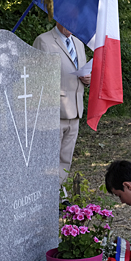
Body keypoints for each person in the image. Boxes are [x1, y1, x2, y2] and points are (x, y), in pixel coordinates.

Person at [33, 23, 91, 184]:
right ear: (59, 19)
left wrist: (88, 80)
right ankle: (46, 194)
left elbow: (84, 73)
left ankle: (59, 195)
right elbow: (37, 77)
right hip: (54, 110)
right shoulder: (43, 41)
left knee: (66, 158)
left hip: (76, 109)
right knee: (49, 158)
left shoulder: (78, 43)